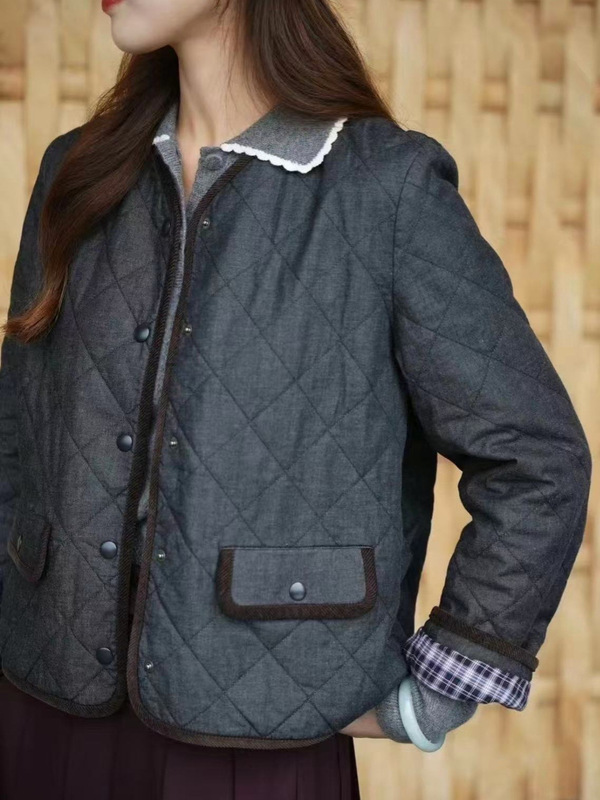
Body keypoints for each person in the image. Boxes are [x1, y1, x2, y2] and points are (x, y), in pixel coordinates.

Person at [0, 0, 592, 797]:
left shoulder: (385, 189)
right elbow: (19, 431)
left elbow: (537, 459)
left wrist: (439, 691)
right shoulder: (75, 172)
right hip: (41, 715)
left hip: (260, 745)